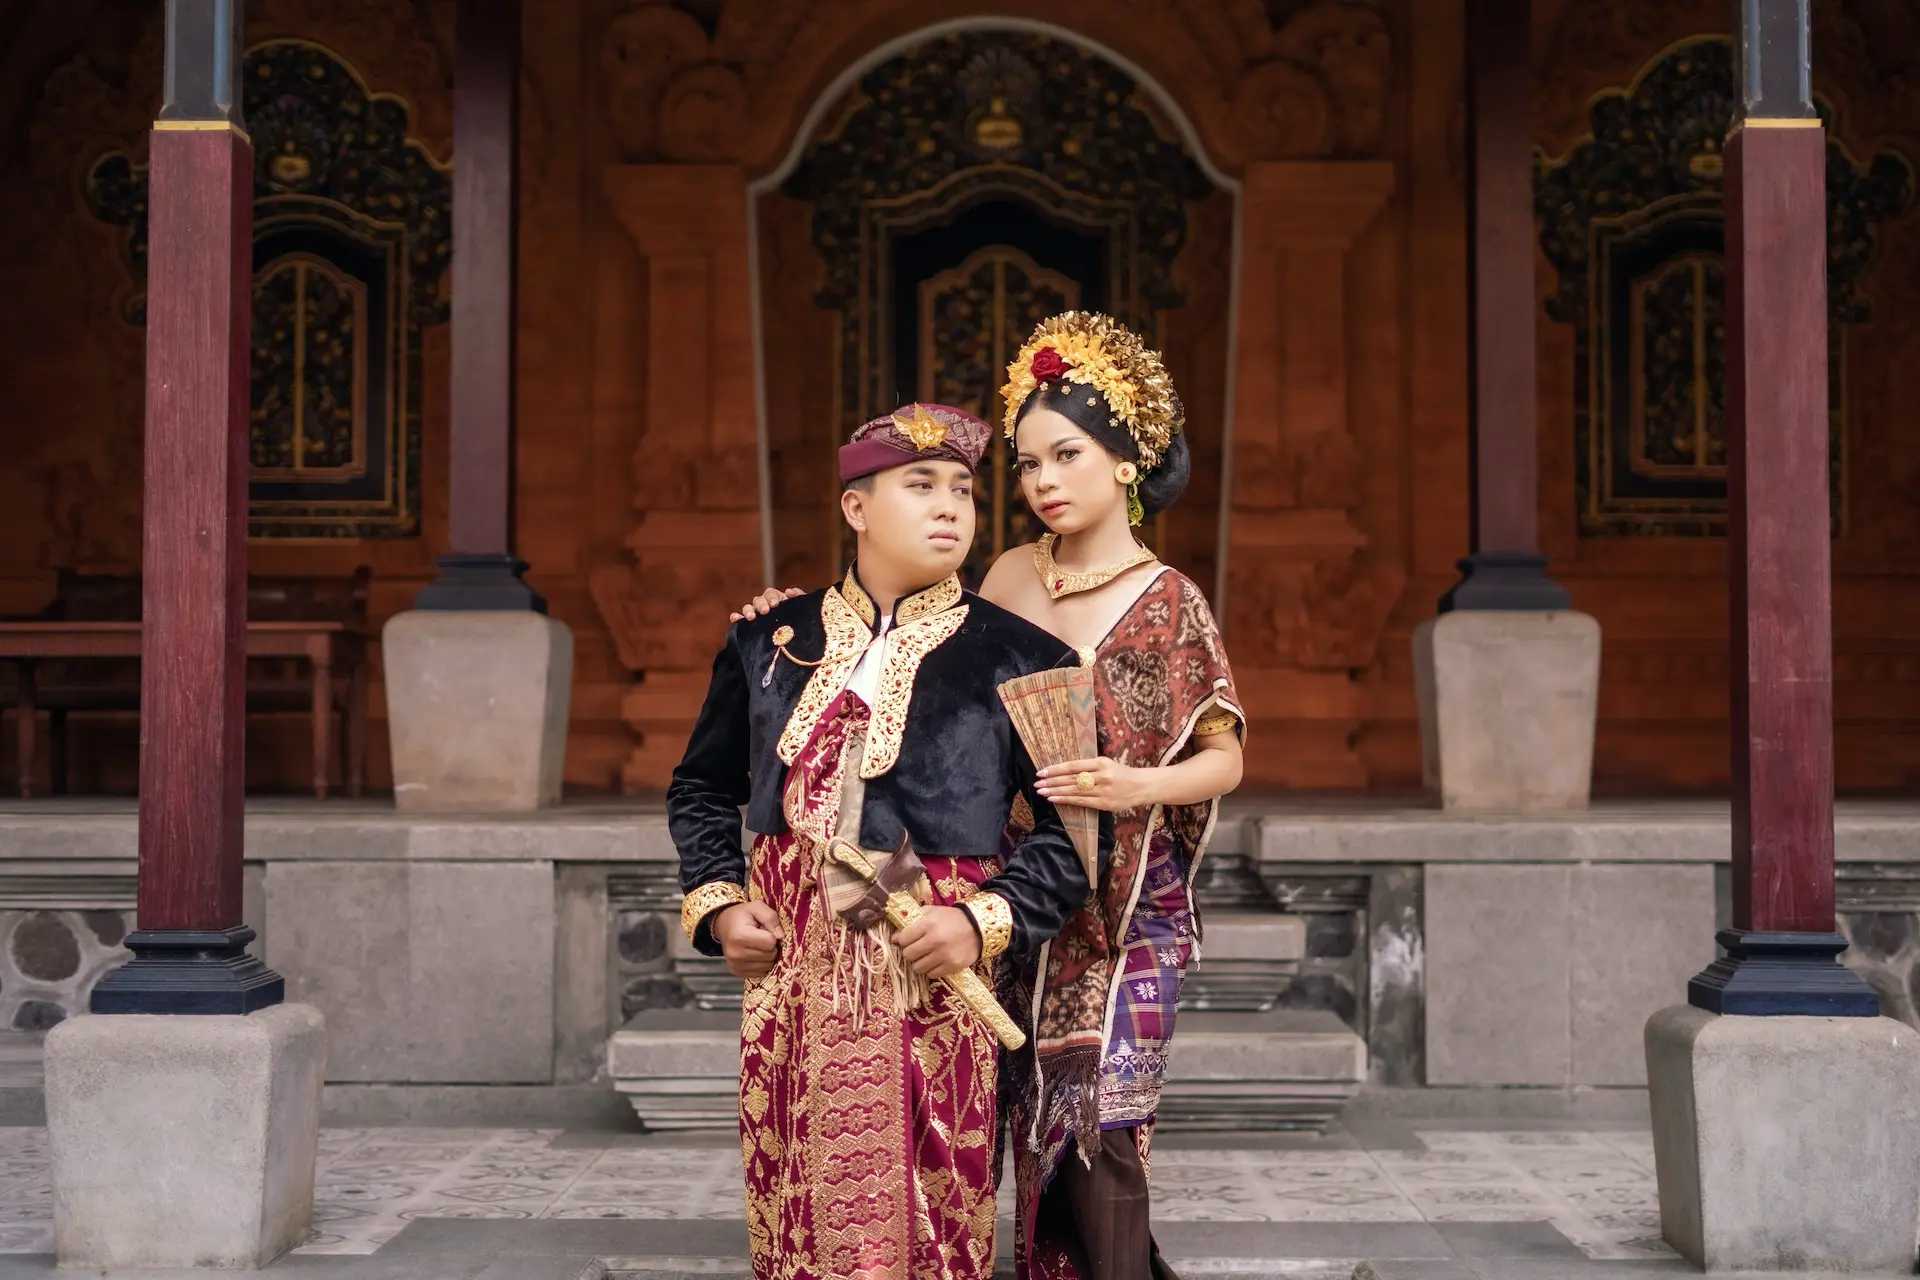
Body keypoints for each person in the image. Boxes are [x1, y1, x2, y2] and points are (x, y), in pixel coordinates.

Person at [730, 312, 1244, 1280]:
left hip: (1124, 893)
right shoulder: (1009, 574)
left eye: (1067, 456)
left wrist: (1138, 784)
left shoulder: (1169, 597)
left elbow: (1225, 757)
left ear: (1126, 461)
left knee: (1101, 1111)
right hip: (1018, 878)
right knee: (1019, 1105)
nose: (1043, 481)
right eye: (1028, 463)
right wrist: (786, 625)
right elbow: (921, 646)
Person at [670, 401, 1098, 1280]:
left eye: (964, 490)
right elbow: (702, 788)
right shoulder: (766, 641)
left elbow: (1075, 833)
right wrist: (718, 906)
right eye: (920, 485)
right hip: (791, 984)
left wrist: (982, 921)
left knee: (933, 1215)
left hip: (930, 981)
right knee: (794, 1205)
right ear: (856, 507)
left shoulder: (1030, 658)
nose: (949, 508)